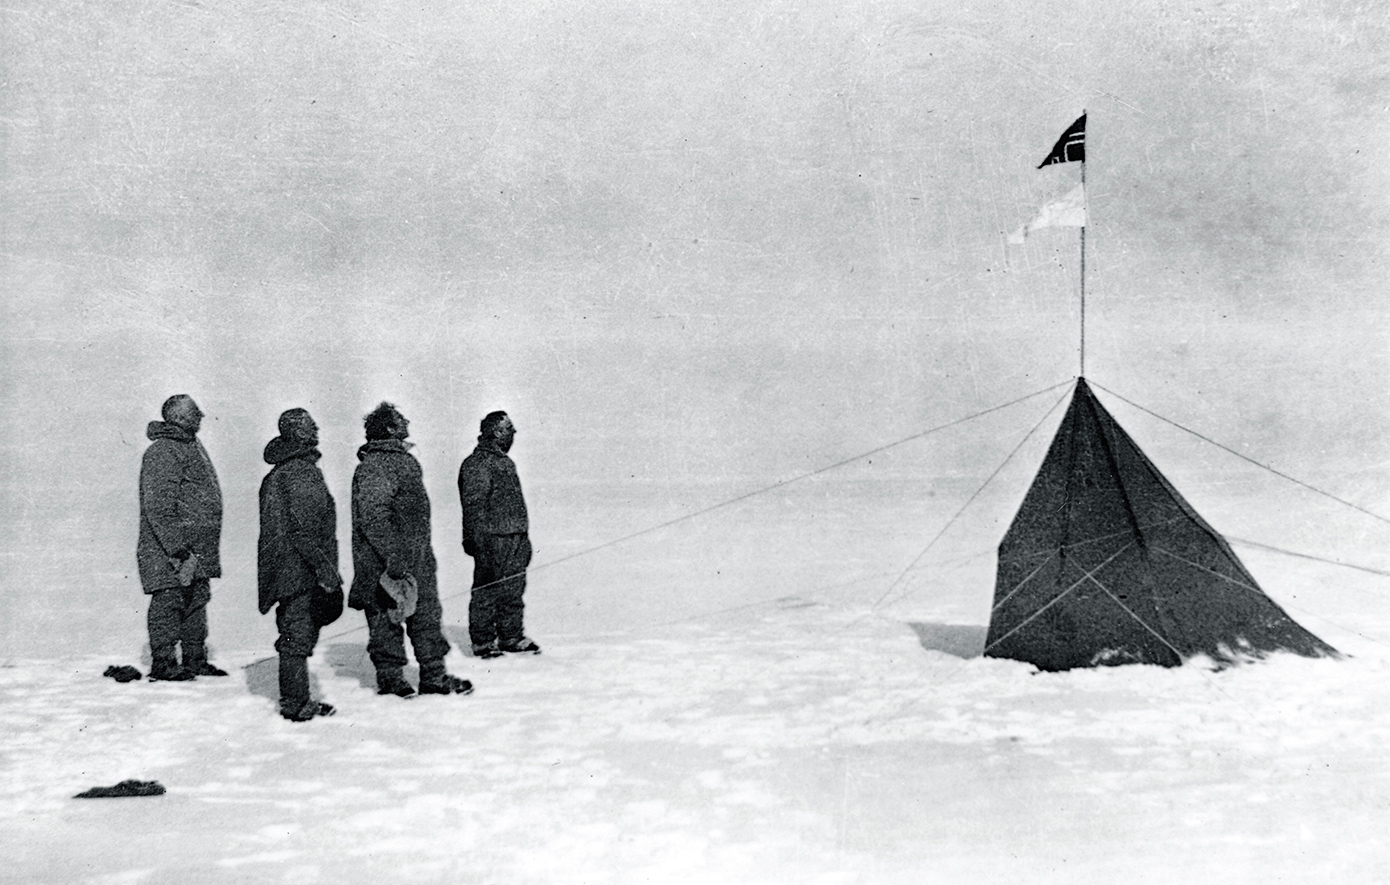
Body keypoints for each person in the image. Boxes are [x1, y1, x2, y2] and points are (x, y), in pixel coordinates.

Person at [349, 402, 473, 697]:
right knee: (385, 619)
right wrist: (392, 556)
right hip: (383, 562)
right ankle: (391, 680)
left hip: (416, 559)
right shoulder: (376, 465)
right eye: (400, 418)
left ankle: (434, 676)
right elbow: (374, 516)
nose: (407, 420)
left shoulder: (403, 461)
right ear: (390, 428)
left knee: (427, 614)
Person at [137, 394, 228, 681]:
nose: (201, 414)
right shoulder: (163, 451)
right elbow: (158, 507)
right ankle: (164, 663)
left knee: (196, 601)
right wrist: (178, 550)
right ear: (178, 417)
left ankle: (194, 660)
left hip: (194, 549)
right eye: (194, 411)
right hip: (170, 552)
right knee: (169, 601)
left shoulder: (190, 446)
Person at [257, 409, 341, 722]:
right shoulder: (301, 472)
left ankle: (297, 699)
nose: (316, 427)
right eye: (309, 424)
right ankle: (296, 704)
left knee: (295, 634)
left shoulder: (281, 472)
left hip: (287, 570)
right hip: (300, 572)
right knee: (296, 637)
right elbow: (306, 532)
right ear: (296, 432)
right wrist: (327, 572)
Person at [458, 411, 540, 659]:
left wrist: (522, 537)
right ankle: (483, 642)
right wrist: (477, 540)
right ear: (496, 432)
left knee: (513, 589)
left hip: (514, 537)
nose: (513, 434)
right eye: (509, 429)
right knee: (487, 589)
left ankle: (511, 636)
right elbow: (473, 505)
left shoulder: (505, 462)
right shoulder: (477, 464)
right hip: (491, 538)